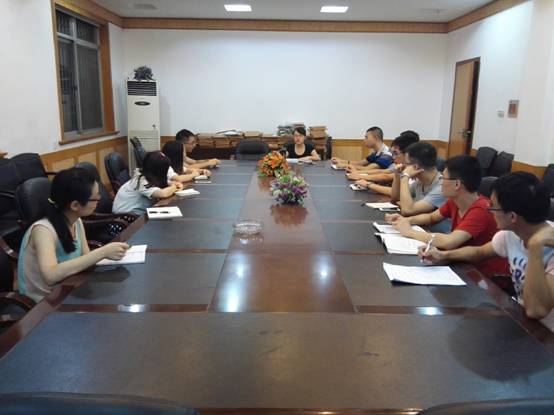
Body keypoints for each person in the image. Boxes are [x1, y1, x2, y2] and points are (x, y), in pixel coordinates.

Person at [421, 172, 554, 326]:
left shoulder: (547, 245)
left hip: (545, 333)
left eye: (493, 206)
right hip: (520, 319)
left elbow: (535, 310)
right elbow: (479, 252)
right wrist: (444, 255)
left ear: (512, 217)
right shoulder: (512, 234)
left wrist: (535, 247)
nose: (489, 210)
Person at [18, 168, 130, 302]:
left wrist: (106, 254)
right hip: (44, 302)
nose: (99, 200)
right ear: (75, 205)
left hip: (69, 288)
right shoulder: (43, 230)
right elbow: (50, 275)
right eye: (95, 198)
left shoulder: (75, 220)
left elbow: (85, 258)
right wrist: (103, 252)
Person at [387, 155, 508, 277]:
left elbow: (449, 242)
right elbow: (431, 218)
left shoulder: (481, 209)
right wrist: (404, 220)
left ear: (457, 184)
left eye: (443, 178)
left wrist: (409, 232)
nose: (441, 182)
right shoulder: (454, 201)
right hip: (461, 264)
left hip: (484, 276)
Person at [113, 151, 183, 215]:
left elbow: (159, 183)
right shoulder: (141, 180)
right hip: (125, 218)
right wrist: (174, 186)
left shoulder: (146, 175)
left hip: (135, 214)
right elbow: (163, 194)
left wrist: (172, 183)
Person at [352, 131, 419, 196]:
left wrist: (367, 183)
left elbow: (386, 177)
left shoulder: (387, 154)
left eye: (396, 153)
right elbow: (385, 172)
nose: (393, 157)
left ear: (408, 153)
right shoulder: (402, 166)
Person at [389, 142, 446, 217]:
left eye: (405, 163)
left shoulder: (442, 188)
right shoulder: (420, 182)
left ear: (415, 167)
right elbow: (396, 198)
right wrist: (397, 175)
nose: (403, 166)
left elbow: (407, 210)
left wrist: (404, 176)